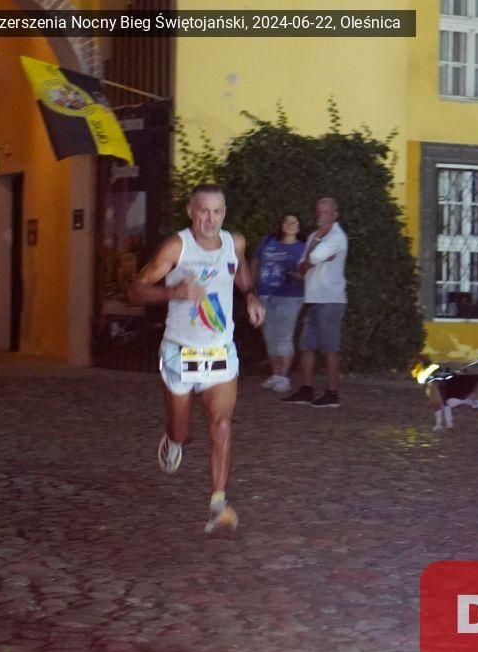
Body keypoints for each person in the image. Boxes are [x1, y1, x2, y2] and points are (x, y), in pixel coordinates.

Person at [128, 184, 266, 531]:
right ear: (191, 212)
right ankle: (173, 440)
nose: (210, 219)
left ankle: (218, 504)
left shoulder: (234, 243)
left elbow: (241, 273)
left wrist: (251, 296)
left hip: (220, 350)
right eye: (203, 211)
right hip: (180, 352)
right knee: (181, 430)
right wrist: (175, 291)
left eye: (217, 212)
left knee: (221, 425)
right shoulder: (177, 247)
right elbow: (135, 290)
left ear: (224, 213)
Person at [282, 197, 348, 408]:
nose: (322, 215)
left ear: (335, 214)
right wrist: (311, 258)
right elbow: (303, 264)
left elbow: (312, 259)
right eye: (319, 211)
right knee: (307, 346)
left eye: (326, 212)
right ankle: (307, 389)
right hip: (313, 297)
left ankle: (332, 393)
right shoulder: (314, 236)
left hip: (330, 299)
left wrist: (311, 259)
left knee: (330, 348)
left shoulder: (337, 237)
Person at [251, 213, 306, 393]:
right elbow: (255, 262)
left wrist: (297, 276)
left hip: (290, 296)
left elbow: (310, 273)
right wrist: (251, 288)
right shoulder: (268, 242)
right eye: (287, 221)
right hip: (264, 295)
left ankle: (283, 376)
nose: (291, 224)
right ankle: (275, 375)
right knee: (269, 336)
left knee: (284, 336)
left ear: (299, 226)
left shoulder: (303, 248)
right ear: (281, 225)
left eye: (295, 222)